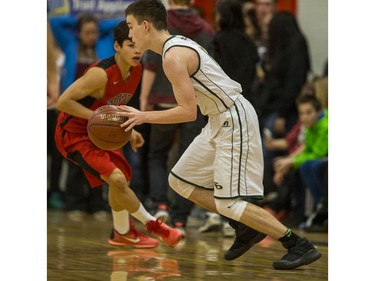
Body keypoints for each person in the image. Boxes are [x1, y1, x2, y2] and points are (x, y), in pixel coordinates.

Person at [120, 0, 321, 270]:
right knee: (180, 180)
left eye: (131, 27)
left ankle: (297, 244)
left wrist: (143, 116)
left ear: (145, 26)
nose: (130, 34)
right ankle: (245, 225)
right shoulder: (175, 46)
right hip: (218, 119)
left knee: (228, 202)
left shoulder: (172, 56)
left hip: (233, 117)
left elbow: (187, 112)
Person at [54, 20, 182, 248]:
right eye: (131, 45)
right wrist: (97, 118)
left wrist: (128, 128)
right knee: (117, 179)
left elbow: (114, 105)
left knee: (123, 179)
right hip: (73, 134)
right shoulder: (99, 75)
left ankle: (122, 233)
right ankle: (155, 226)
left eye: (139, 46)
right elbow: (63, 101)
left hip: (98, 131)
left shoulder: (137, 70)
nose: (137, 51)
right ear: (116, 46)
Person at [139, 0, 214, 235]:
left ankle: (161, 204)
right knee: (187, 160)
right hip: (194, 105)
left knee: (157, 155)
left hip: (163, 102)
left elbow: (151, 65)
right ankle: (181, 217)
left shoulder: (161, 26)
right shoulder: (205, 28)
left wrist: (144, 100)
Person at [50, 14, 122, 220]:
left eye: (94, 32)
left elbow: (119, 24)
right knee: (76, 160)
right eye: (87, 32)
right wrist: (81, 21)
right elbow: (55, 22)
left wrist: (97, 24)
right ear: (79, 33)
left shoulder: (104, 42)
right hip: (73, 110)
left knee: (100, 157)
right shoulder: (70, 42)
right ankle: (74, 204)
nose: (91, 36)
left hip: (99, 110)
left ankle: (97, 204)